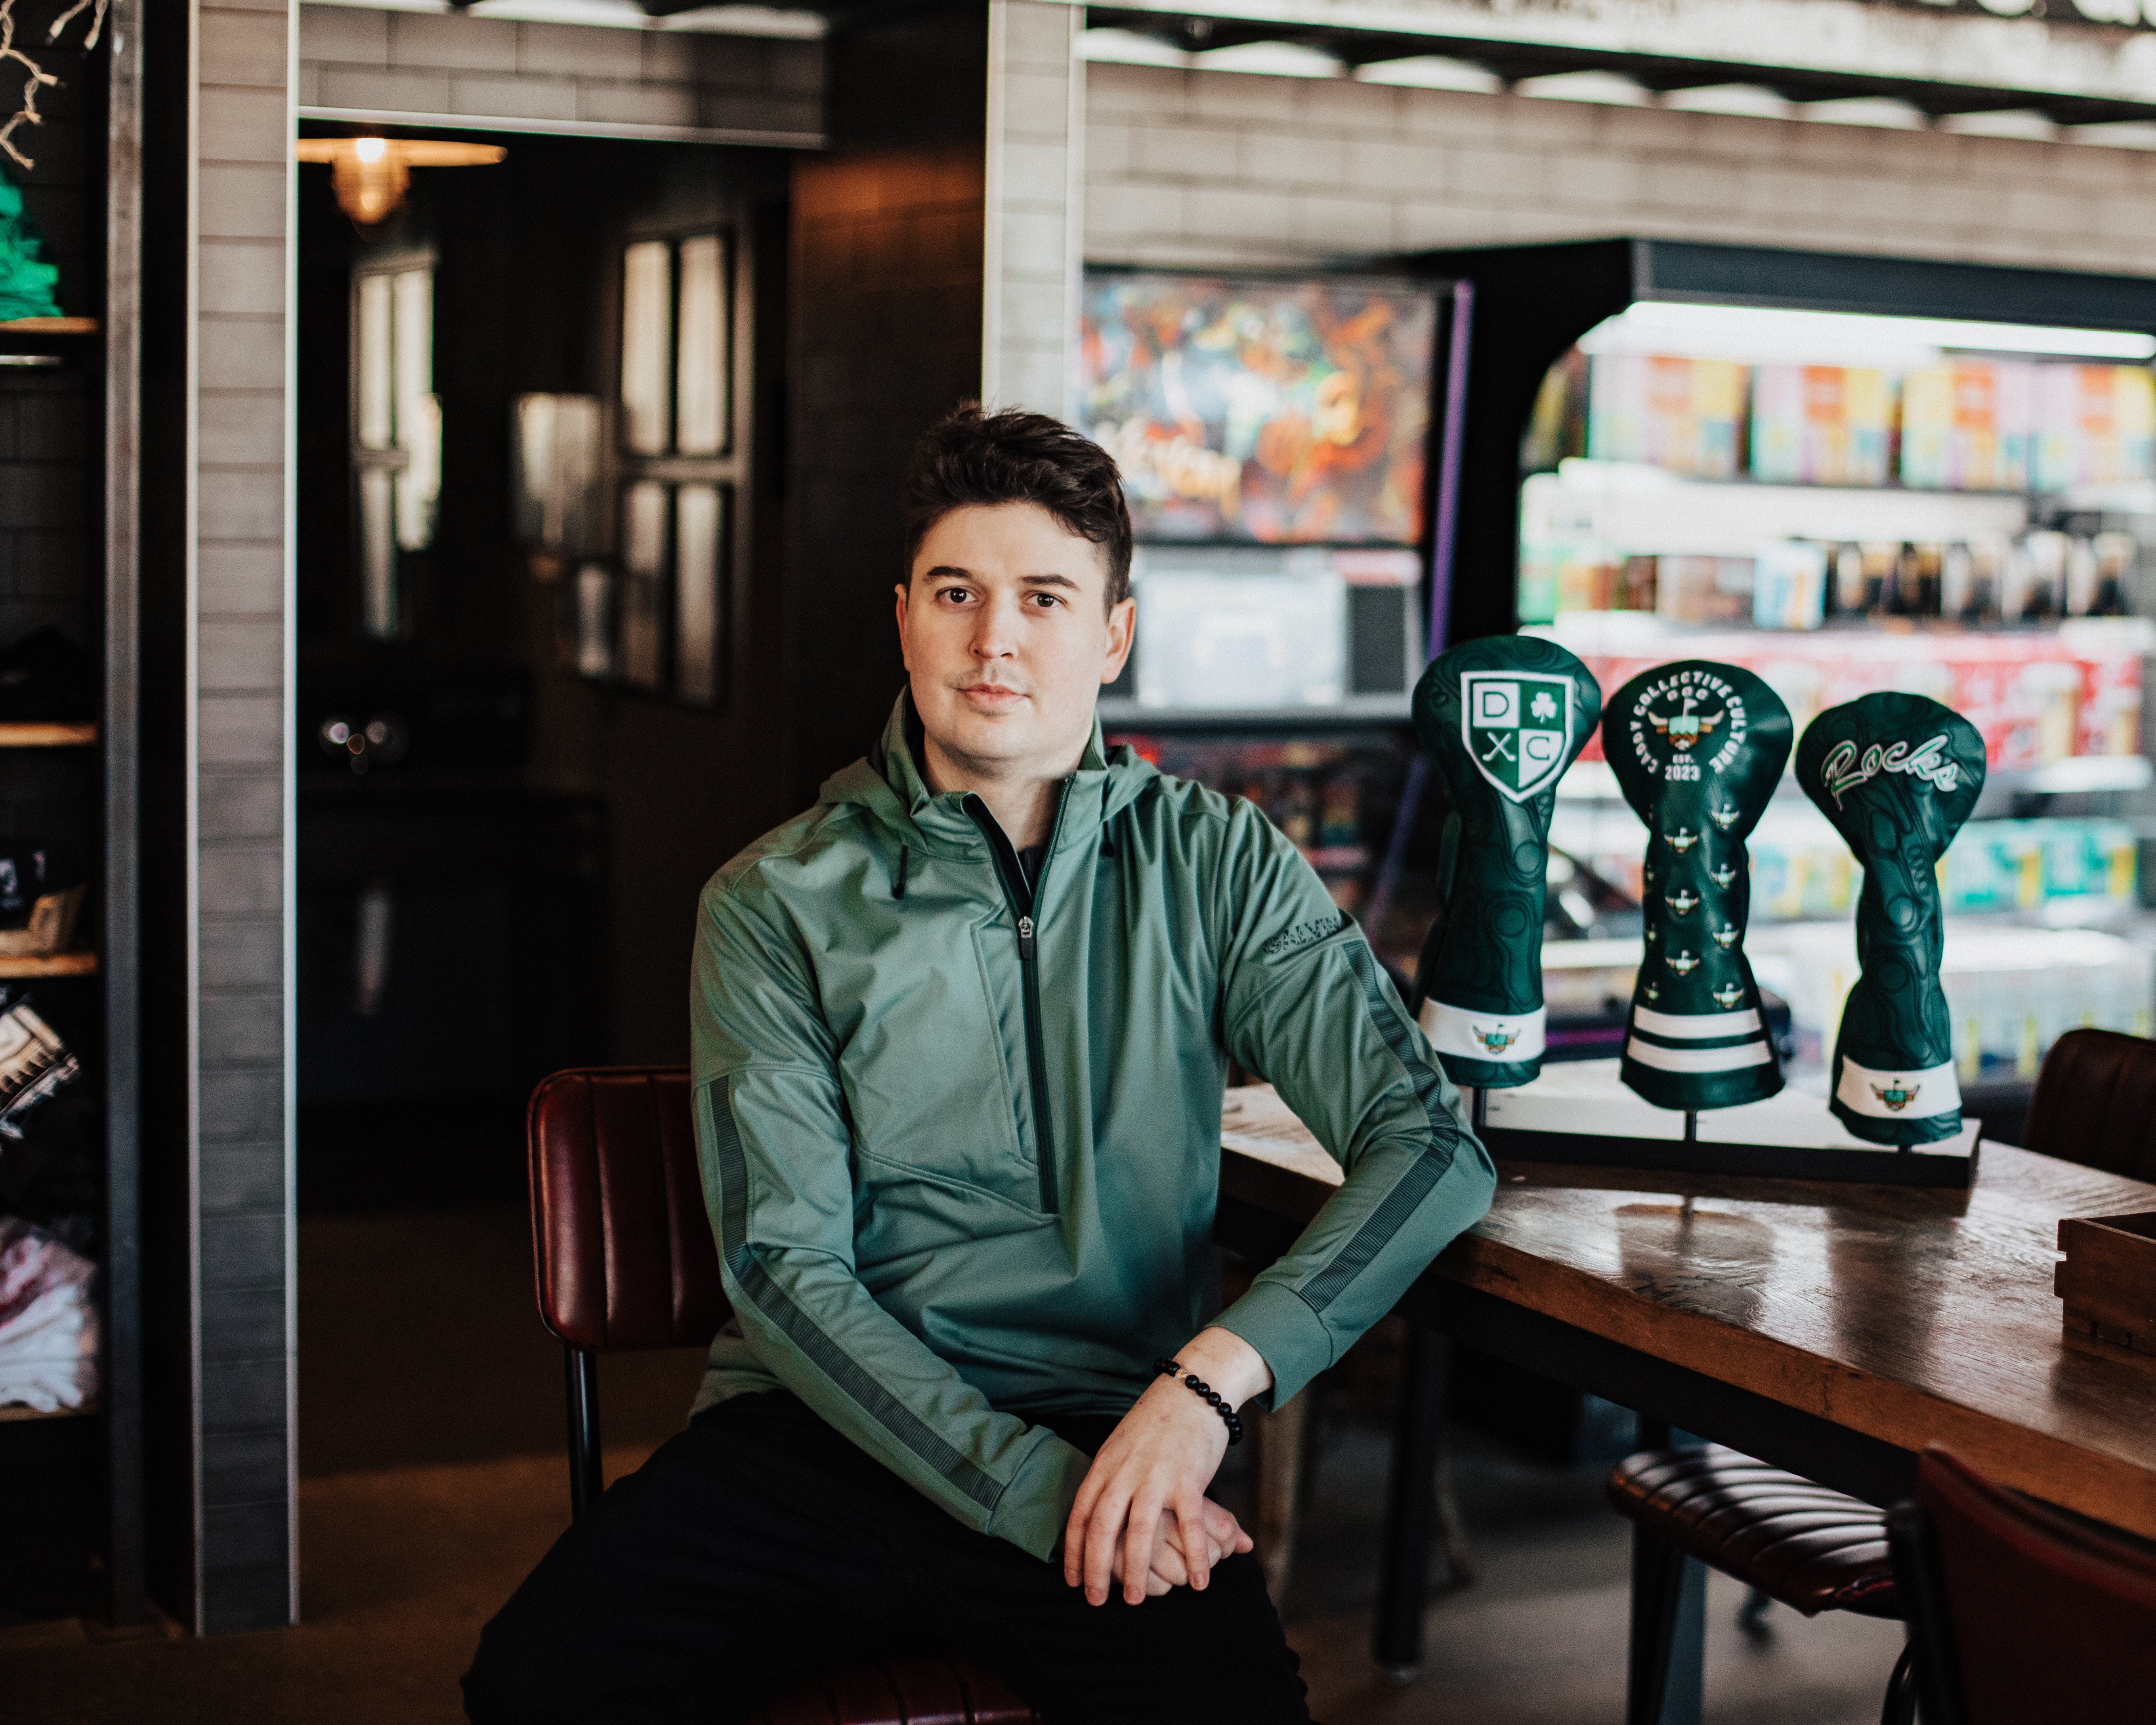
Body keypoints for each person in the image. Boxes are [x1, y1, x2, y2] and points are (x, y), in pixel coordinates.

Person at [463, 406, 1496, 1725]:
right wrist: (1029, 1491)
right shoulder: (774, 897)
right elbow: (787, 1272)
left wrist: (1207, 1391)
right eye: (957, 593)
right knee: (536, 1680)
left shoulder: (1216, 861)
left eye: (1044, 597)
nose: (994, 636)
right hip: (821, 1435)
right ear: (904, 618)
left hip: (1113, 1425)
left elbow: (1428, 1147)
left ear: (1112, 632)